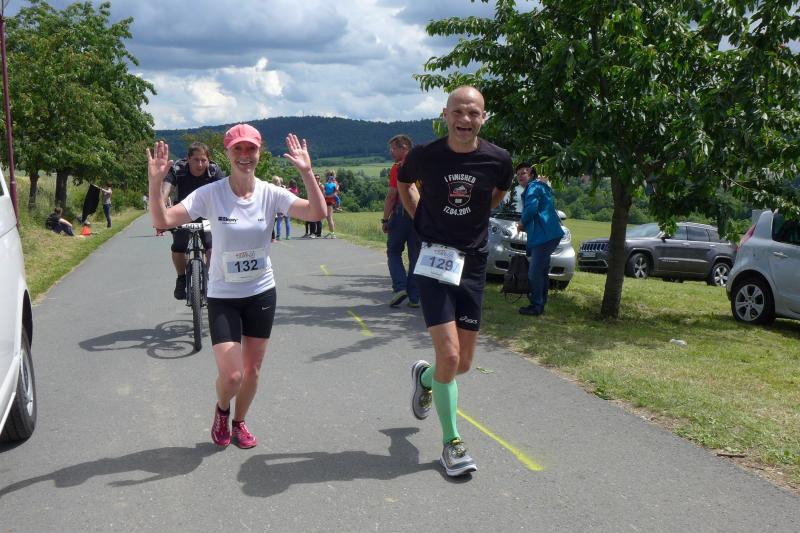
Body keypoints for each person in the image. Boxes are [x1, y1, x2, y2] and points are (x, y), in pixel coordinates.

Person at [146, 123, 326, 449]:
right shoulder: (211, 193)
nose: (245, 155)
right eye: (237, 149)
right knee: (232, 376)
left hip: (261, 292)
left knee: (252, 371)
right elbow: (162, 221)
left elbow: (316, 212)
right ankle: (222, 409)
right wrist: (156, 182)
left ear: (259, 152)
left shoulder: (270, 193)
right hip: (224, 295)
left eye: (251, 149)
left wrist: (306, 172)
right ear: (228, 154)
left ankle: (240, 422)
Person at [397, 86, 513, 477]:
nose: (465, 120)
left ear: (484, 117)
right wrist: (419, 217)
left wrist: (476, 215)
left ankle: (424, 378)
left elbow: (498, 192)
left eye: (473, 113)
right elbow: (405, 183)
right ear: (445, 115)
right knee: (448, 356)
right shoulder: (425, 155)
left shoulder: (498, 159)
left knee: (461, 364)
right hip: (434, 259)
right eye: (458, 112)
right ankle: (453, 443)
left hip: (473, 264)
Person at [162, 142, 225, 300]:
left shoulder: (213, 171)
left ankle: (211, 279)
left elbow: (226, 193)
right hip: (183, 212)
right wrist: (162, 211)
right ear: (188, 158)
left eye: (204, 160)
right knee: (178, 247)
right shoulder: (178, 169)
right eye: (196, 160)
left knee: (212, 248)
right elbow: (165, 190)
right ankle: (181, 278)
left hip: (207, 214)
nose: (200, 164)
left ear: (208, 160)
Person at [516, 163, 564, 316]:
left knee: (534, 273)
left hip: (544, 236)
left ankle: (536, 306)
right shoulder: (540, 187)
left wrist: (522, 222)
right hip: (548, 235)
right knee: (541, 272)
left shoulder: (533, 187)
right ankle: (540, 304)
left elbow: (531, 208)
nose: (520, 176)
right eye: (518, 174)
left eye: (524, 173)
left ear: (531, 175)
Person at [381, 134, 419, 308]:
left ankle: (400, 287)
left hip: (401, 213)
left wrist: (385, 219)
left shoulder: (399, 167)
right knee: (415, 256)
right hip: (420, 215)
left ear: (404, 147)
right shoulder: (422, 165)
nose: (391, 152)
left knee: (394, 251)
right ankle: (414, 297)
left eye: (394, 148)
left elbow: (392, 195)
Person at [272, 176, 291, 240]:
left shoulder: (275, 190)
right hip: (286, 206)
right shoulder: (285, 189)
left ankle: (278, 235)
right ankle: (288, 235)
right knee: (287, 221)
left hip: (280, 207)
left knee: (279, 222)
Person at [322, 170, 338, 238]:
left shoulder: (328, 183)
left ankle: (332, 233)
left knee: (329, 217)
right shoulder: (335, 183)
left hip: (328, 201)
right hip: (332, 201)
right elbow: (335, 194)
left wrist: (326, 196)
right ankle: (331, 232)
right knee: (329, 217)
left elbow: (334, 194)